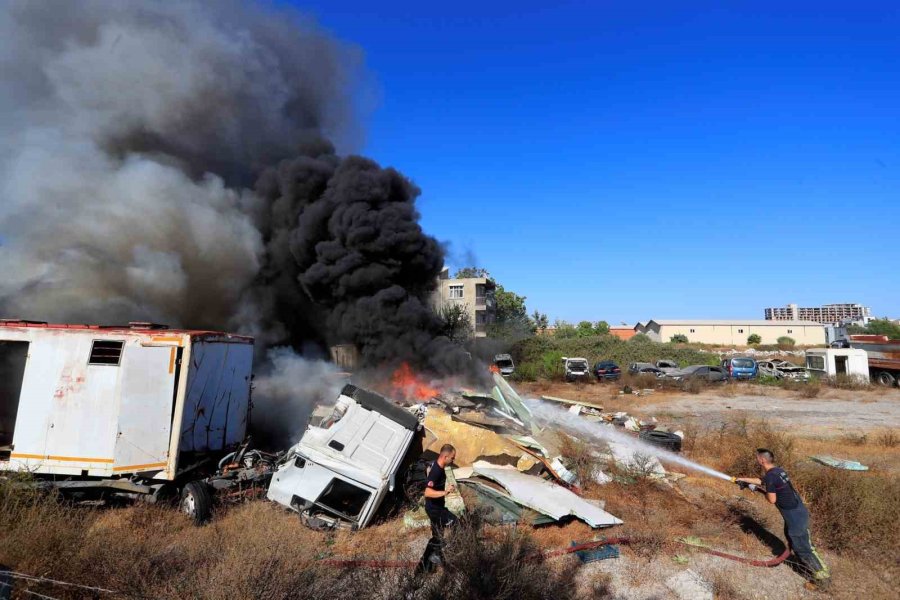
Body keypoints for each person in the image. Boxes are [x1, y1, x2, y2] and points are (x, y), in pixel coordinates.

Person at [735, 448, 830, 586]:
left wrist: (753, 488)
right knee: (798, 541)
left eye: (757, 458)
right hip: (798, 511)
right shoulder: (778, 471)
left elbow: (771, 499)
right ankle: (807, 566)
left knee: (803, 547)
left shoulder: (771, 476)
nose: (757, 460)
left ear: (762, 460)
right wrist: (744, 480)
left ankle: (822, 580)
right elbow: (763, 481)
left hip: (794, 516)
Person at [415, 444, 458, 573]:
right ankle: (443, 554)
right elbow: (427, 492)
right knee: (457, 523)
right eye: (452, 458)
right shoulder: (437, 470)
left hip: (435, 507)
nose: (453, 460)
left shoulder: (437, 465)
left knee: (437, 537)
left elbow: (429, 468)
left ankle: (422, 568)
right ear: (445, 456)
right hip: (435, 509)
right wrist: (445, 492)